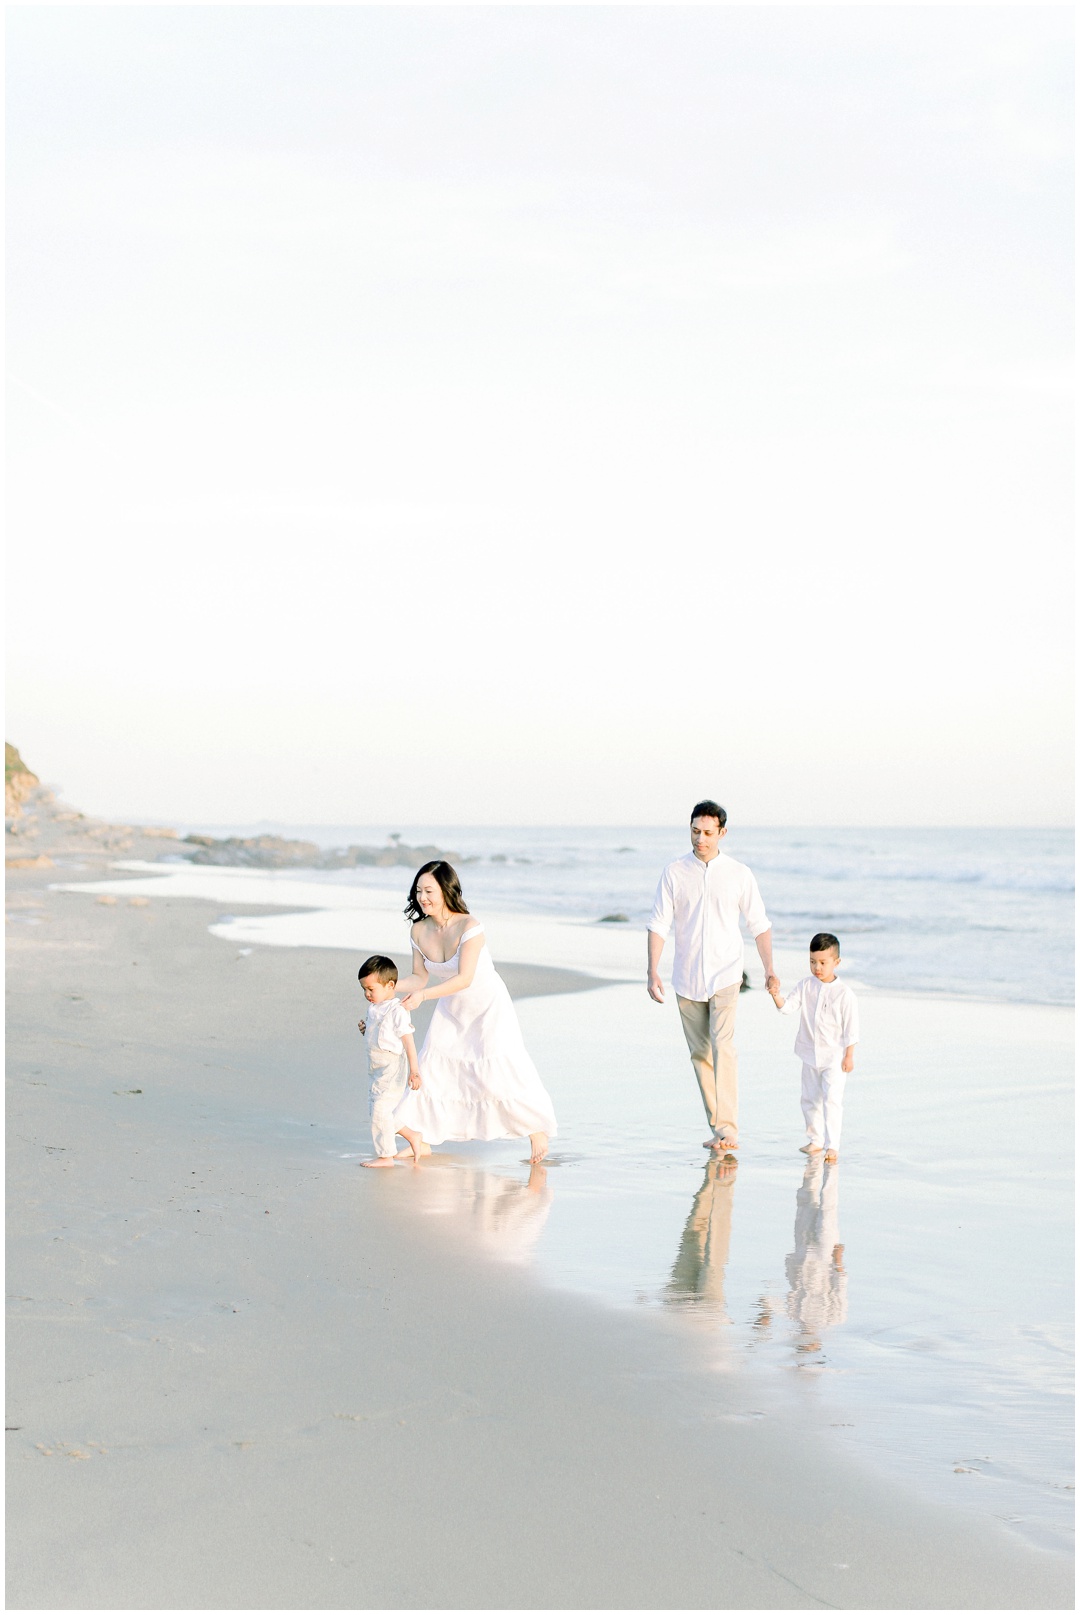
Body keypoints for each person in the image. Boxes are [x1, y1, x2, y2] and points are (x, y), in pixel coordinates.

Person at [391, 861, 557, 1165]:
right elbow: (419, 977)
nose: (422, 897)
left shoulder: (470, 926)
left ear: (446, 891)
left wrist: (423, 996)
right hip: (452, 1006)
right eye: (418, 891)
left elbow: (464, 978)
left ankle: (536, 1129)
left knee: (498, 1072)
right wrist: (390, 987)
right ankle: (423, 1139)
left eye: (429, 891)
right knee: (432, 1070)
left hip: (488, 1007)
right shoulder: (418, 930)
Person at [647, 800, 777, 1155]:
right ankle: (717, 1128)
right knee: (700, 1053)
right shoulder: (674, 872)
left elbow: (759, 925)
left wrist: (769, 969)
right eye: (695, 831)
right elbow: (659, 923)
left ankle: (729, 1128)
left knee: (723, 1047)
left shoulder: (739, 874)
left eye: (707, 833)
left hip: (726, 974)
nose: (700, 839)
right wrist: (652, 969)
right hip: (686, 977)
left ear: (722, 832)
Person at [768, 931, 859, 1162]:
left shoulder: (845, 994)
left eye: (822, 963)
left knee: (832, 1100)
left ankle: (833, 1145)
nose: (817, 967)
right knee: (808, 1099)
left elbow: (851, 1029)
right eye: (812, 962)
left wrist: (849, 1056)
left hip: (834, 1058)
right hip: (809, 1054)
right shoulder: (805, 986)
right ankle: (815, 1140)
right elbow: (787, 1007)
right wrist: (775, 995)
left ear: (836, 962)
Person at [356, 954, 422, 1167]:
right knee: (377, 1110)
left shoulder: (397, 1011)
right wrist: (365, 1030)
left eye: (371, 989)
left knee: (380, 1111)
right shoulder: (374, 1008)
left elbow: (408, 1041)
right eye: (364, 989)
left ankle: (386, 1156)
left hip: (393, 1067)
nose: (367, 994)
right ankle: (412, 1135)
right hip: (376, 1066)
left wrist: (415, 1070)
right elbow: (379, 1034)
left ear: (390, 985)